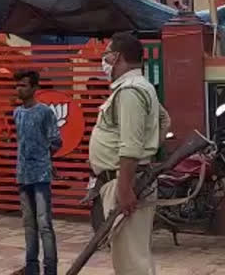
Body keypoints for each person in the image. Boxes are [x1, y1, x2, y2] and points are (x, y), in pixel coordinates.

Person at [88, 32, 170, 275]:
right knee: (133, 258)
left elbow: (130, 146)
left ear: (118, 57)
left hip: (124, 183)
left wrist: (124, 188)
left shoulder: (130, 91)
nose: (104, 60)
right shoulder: (140, 87)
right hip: (127, 178)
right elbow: (164, 120)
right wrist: (148, 148)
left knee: (131, 264)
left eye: (107, 54)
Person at [11, 70, 61, 275]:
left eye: (23, 85)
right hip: (23, 175)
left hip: (41, 176)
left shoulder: (45, 112)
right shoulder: (17, 113)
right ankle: (31, 268)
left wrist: (44, 158)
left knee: (44, 224)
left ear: (34, 88)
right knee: (28, 225)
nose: (19, 89)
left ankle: (51, 269)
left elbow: (56, 141)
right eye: (17, 85)